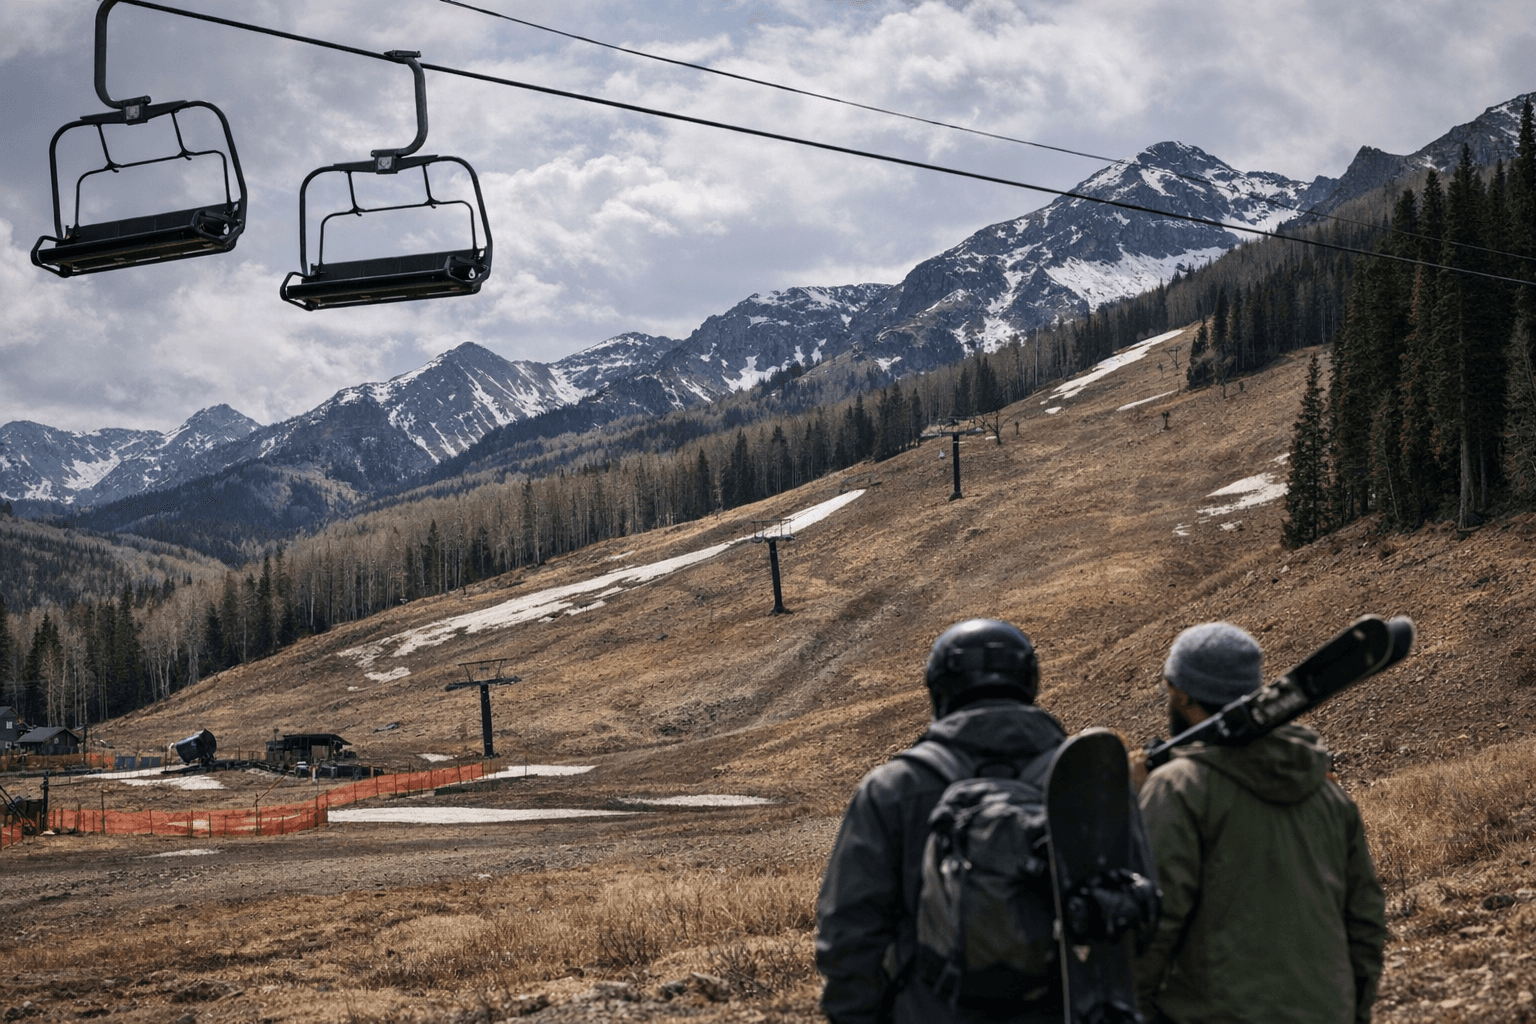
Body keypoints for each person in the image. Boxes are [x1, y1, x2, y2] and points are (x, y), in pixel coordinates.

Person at [816, 618, 1153, 1024]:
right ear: (1030, 682)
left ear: (939, 690)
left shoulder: (893, 789)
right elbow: (1140, 913)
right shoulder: (1090, 781)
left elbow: (849, 934)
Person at [1134, 622, 1388, 1024]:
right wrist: (1351, 1010)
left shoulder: (1179, 790)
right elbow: (1366, 920)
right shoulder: (1326, 791)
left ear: (1178, 692)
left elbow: (1152, 927)